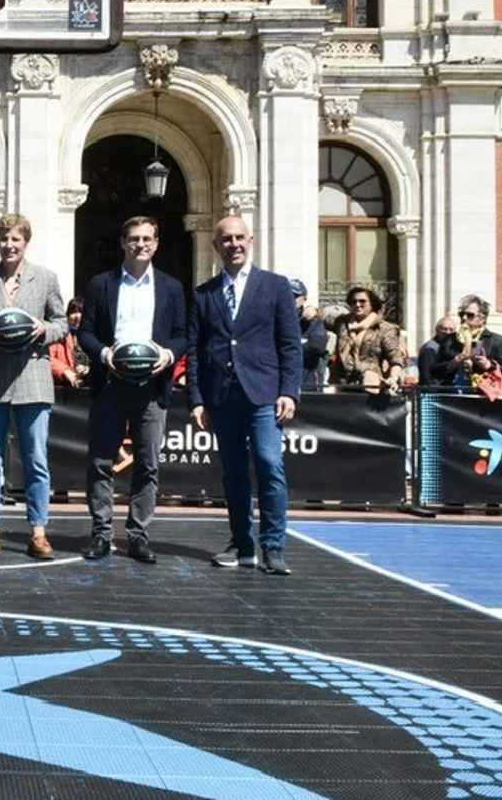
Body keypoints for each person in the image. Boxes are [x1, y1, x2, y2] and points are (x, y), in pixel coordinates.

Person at [186, 215, 301, 576]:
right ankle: (242, 543)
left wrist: (289, 391)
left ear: (250, 241)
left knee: (269, 464)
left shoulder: (275, 286)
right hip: (222, 396)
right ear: (215, 245)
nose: (233, 244)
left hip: (264, 393)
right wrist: (196, 398)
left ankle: (274, 546)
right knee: (233, 473)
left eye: (239, 238)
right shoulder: (204, 294)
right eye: (226, 239)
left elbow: (289, 345)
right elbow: (194, 350)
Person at [76, 216, 189, 566]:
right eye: (134, 239)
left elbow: (183, 333)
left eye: (147, 239)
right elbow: (86, 333)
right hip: (110, 383)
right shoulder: (101, 284)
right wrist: (106, 354)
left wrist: (168, 355)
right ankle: (101, 533)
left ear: (156, 243)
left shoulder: (171, 287)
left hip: (151, 386)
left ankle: (138, 535)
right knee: (100, 461)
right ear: (123, 242)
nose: (140, 244)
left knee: (148, 464)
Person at [0, 212, 66, 561]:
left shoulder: (46, 279)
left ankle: (38, 531)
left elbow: (62, 324)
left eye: (15, 239)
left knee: (36, 459)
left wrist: (44, 330)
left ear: (26, 242)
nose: (9, 245)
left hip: (33, 378)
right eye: (4, 238)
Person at [431, 295, 502, 393]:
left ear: (482, 319)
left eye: (470, 315)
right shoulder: (450, 340)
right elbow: (434, 371)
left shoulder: (495, 340)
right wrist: (452, 364)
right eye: (461, 314)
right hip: (452, 397)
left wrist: (489, 365)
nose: (464, 318)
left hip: (483, 397)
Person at [332, 286, 404, 393]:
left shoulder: (384, 328)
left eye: (362, 301)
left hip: (370, 386)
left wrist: (393, 378)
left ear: (372, 304)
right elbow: (319, 316)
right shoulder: (341, 323)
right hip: (342, 385)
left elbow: (395, 359)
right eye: (353, 302)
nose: (357, 305)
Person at [289, 280, 329, 391]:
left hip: (307, 384)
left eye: (294, 296)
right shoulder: (273, 319)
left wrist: (287, 352)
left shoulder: (312, 321)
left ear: (304, 300)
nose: (290, 298)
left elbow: (316, 346)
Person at [48, 297, 89, 389]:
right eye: (73, 312)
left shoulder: (94, 337)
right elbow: (47, 358)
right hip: (65, 388)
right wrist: (65, 371)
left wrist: (88, 370)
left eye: (81, 312)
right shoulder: (59, 335)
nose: (77, 316)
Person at [413, 315, 457, 390]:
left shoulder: (449, 347)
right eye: (444, 329)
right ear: (437, 330)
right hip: (432, 393)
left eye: (451, 329)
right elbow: (426, 377)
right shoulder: (430, 348)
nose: (448, 332)